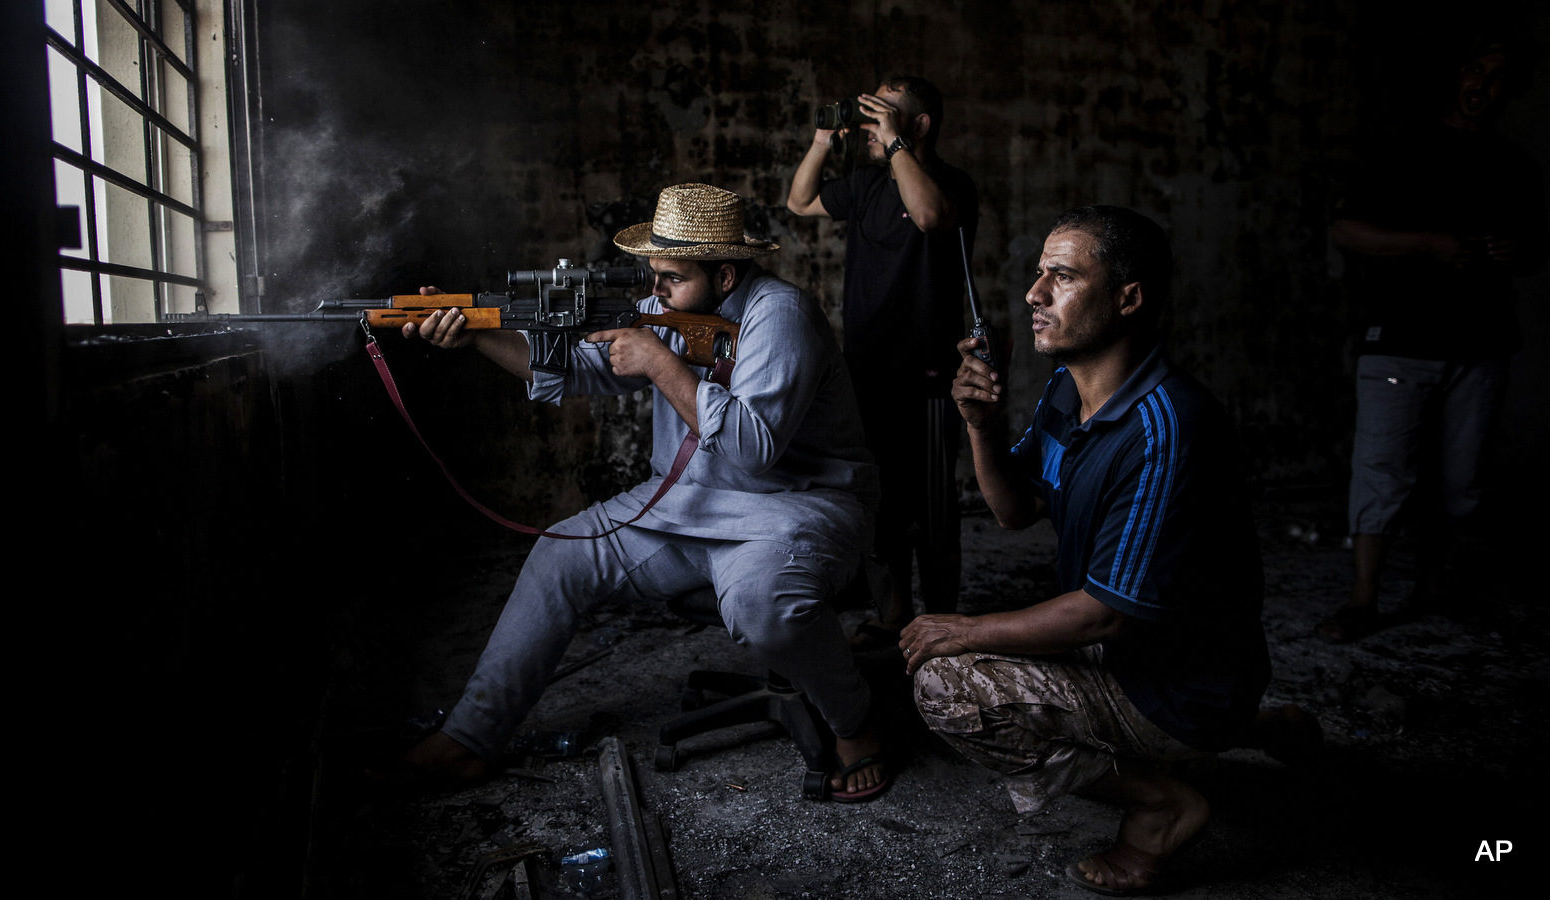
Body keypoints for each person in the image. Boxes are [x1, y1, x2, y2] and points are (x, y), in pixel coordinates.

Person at [400, 183, 890, 800]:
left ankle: (856, 722)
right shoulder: (667, 312)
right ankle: (469, 740)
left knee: (760, 606)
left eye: (672, 277)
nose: (655, 290)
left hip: (794, 509)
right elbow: (576, 368)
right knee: (561, 553)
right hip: (689, 503)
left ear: (727, 276)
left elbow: (752, 450)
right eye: (653, 274)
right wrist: (476, 337)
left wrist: (660, 362)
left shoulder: (780, 315)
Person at [900, 207, 1303, 895]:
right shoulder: (1068, 389)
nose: (1034, 294)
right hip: (1132, 656)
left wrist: (962, 630)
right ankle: (1256, 727)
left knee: (947, 685)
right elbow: (1014, 509)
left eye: (1061, 277)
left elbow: (1106, 615)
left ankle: (1162, 803)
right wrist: (982, 426)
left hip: (1173, 682)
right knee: (963, 640)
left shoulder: (1165, 429)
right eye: (1038, 275)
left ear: (1129, 298)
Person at [1319, 34, 1547, 642]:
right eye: (1476, 70)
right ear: (1456, 76)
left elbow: (1534, 250)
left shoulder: (1514, 166)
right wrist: (1430, 244)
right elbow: (1345, 229)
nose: (1484, 86)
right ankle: (1364, 599)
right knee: (1383, 470)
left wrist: (1516, 251)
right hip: (1400, 339)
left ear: (1509, 92)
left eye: (1499, 78)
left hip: (1482, 343)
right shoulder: (1403, 151)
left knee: (1463, 480)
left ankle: (1436, 585)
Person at [786, 75, 980, 649]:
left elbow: (928, 218)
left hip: (928, 374)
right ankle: (896, 615)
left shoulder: (952, 187)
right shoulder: (867, 184)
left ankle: (944, 622)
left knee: (934, 508)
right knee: (882, 503)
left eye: (885, 113)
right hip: (866, 369)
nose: (872, 123)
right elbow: (799, 201)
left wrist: (893, 142)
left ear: (918, 125)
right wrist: (824, 138)